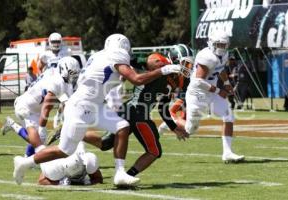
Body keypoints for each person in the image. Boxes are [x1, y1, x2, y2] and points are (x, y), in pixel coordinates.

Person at [12, 33, 183, 186]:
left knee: (122, 126)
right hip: (82, 106)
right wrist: (164, 70)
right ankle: (24, 163)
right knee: (65, 151)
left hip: (95, 104)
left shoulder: (100, 55)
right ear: (122, 46)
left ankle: (120, 173)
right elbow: (137, 79)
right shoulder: (117, 54)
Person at [84, 52, 189, 178]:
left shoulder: (174, 80)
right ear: (175, 59)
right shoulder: (160, 63)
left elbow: (162, 107)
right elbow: (135, 60)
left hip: (129, 111)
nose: (188, 67)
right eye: (186, 63)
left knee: (105, 143)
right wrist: (161, 67)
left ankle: (75, 132)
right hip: (138, 112)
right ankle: (128, 175)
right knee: (154, 151)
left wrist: (173, 127)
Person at [184, 30, 245, 163]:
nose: (221, 48)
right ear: (211, 43)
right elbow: (198, 81)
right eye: (219, 45)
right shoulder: (206, 56)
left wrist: (227, 83)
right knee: (190, 129)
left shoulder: (224, 54)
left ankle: (227, 153)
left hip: (212, 90)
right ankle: (169, 123)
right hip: (197, 92)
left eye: (224, 45)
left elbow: (221, 69)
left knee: (229, 115)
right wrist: (219, 91)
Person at [1, 57, 81, 157]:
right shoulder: (57, 81)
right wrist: (43, 127)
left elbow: (67, 102)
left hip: (35, 107)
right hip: (25, 107)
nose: (73, 77)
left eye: (75, 73)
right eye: (71, 73)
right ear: (63, 70)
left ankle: (28, 158)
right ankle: (12, 125)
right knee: (38, 140)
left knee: (39, 140)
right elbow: (47, 106)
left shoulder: (55, 74)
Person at [39, 142, 103, 186]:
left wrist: (88, 182)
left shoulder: (87, 160)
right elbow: (41, 180)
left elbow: (99, 179)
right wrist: (59, 183)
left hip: (75, 147)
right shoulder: (55, 167)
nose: (78, 176)